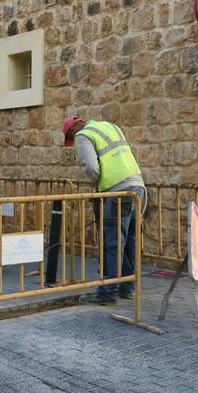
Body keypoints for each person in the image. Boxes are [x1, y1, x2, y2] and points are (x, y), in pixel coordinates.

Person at [62, 117, 146, 305]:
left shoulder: (83, 136)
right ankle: (127, 288)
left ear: (72, 134)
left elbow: (91, 166)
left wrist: (99, 186)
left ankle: (108, 293)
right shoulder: (110, 126)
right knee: (130, 240)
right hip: (138, 187)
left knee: (113, 243)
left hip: (117, 192)